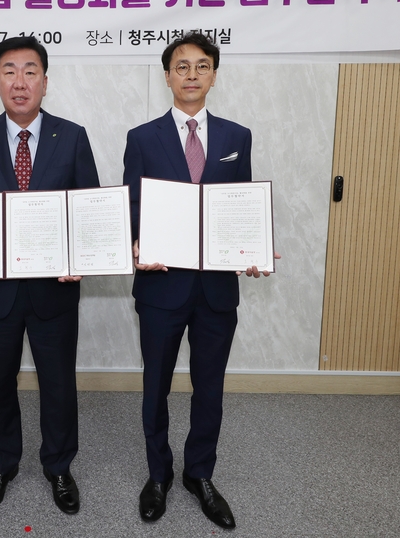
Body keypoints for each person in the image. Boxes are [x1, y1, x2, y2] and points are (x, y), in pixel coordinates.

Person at [123, 33, 277, 529]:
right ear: (167, 76)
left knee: (210, 387)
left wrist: (251, 250)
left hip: (216, 290)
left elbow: (242, 205)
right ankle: (159, 475)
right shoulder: (142, 138)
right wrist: (134, 243)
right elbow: (132, 206)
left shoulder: (237, 137)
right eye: (182, 66)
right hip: (160, 287)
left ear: (214, 75)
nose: (192, 74)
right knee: (156, 386)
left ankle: (200, 474)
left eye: (202, 65)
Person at [0, 36, 100, 515]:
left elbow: (89, 211)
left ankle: (59, 466)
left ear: (45, 82)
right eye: (9, 71)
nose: (20, 81)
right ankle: (3, 464)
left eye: (30, 71)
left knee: (59, 385)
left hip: (54, 292)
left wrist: (81, 258)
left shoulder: (71, 136)